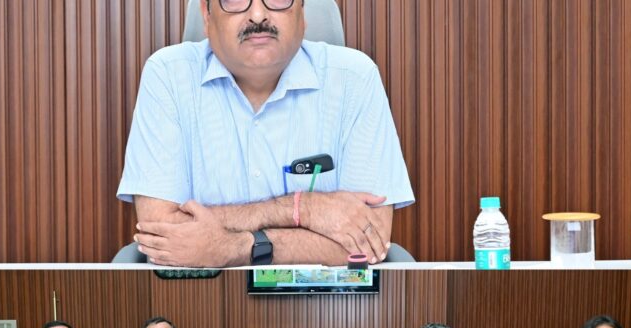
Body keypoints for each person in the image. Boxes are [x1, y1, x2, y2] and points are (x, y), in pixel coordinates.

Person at [116, 0, 415, 268]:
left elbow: (369, 239)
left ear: (302, 11)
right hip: (201, 300)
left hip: (324, 303)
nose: (258, 14)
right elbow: (162, 233)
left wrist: (235, 247)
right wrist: (301, 208)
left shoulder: (355, 79)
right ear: (207, 14)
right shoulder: (168, 75)